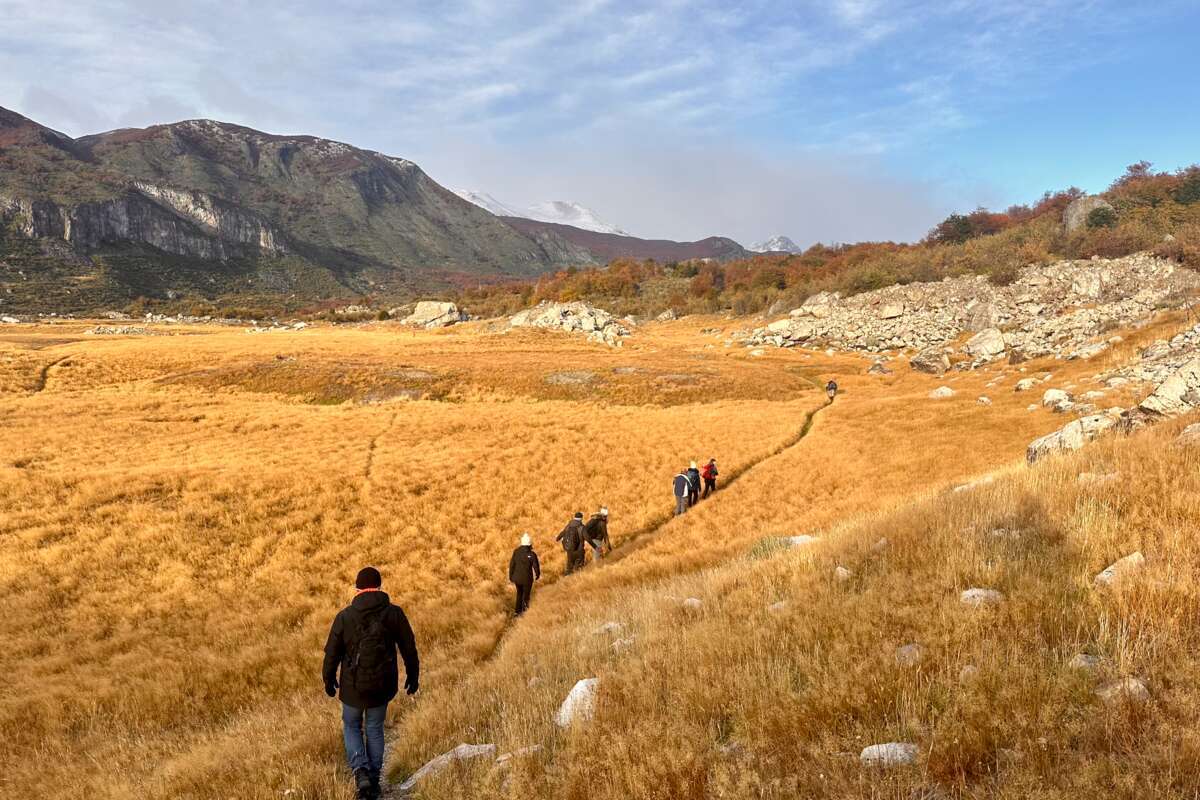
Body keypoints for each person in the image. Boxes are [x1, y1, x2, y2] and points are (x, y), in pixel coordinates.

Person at [323, 567, 420, 800]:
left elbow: (332, 652)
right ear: (379, 587)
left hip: (352, 687)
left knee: (351, 725)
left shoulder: (345, 616)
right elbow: (408, 646)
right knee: (375, 728)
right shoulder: (394, 614)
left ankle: (360, 771)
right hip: (382, 685)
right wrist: (413, 675)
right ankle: (374, 782)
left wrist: (329, 678)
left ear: (357, 589)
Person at [508, 533, 541, 615]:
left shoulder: (516, 552)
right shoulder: (532, 554)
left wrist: (510, 576)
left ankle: (517, 612)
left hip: (517, 579)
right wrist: (537, 575)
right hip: (527, 579)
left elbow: (512, 565)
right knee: (526, 596)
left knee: (519, 594)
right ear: (530, 544)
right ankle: (524, 613)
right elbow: (536, 566)